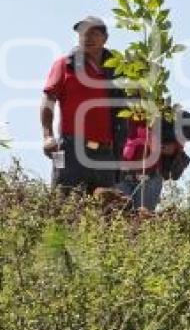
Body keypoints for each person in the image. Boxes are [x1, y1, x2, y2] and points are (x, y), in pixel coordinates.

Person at [41, 16, 127, 198]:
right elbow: (48, 100)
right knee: (63, 204)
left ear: (105, 38)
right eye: (82, 34)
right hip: (68, 148)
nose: (87, 38)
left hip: (106, 153)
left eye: (93, 33)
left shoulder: (118, 71)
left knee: (106, 210)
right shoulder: (65, 65)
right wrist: (48, 136)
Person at [117, 108, 190, 213]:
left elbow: (175, 147)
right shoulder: (128, 110)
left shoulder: (162, 113)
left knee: (142, 220)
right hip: (122, 173)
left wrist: (171, 147)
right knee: (116, 215)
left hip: (150, 177)